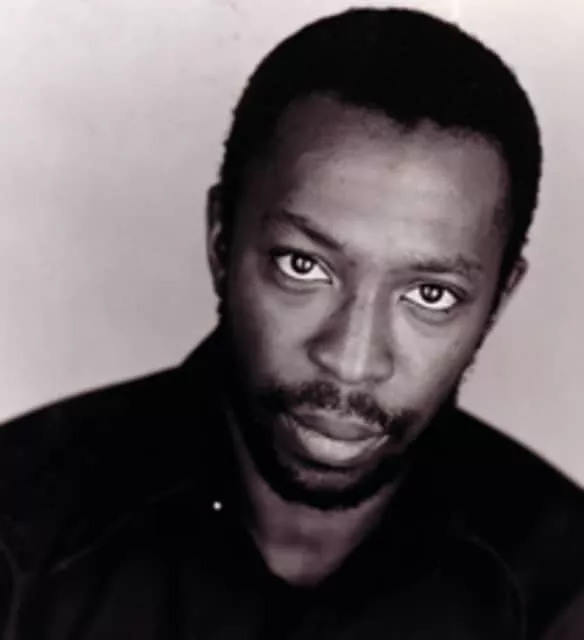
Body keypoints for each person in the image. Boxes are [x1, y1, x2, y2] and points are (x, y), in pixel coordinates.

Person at [0, 7, 582, 639]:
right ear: (221, 241)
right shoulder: (16, 525)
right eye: (303, 265)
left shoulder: (565, 591)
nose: (352, 361)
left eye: (431, 295)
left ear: (498, 298)